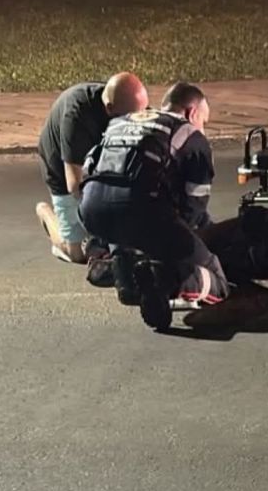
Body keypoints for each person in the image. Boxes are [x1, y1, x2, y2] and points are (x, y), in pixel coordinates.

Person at [78, 82, 228, 331]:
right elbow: (194, 208)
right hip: (142, 212)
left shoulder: (122, 122)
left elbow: (90, 171)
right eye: (204, 120)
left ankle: (122, 270)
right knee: (217, 280)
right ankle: (167, 280)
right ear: (192, 113)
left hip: (93, 212)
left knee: (127, 226)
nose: (203, 127)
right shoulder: (190, 134)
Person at [35, 74, 148, 264]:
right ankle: (47, 214)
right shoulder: (77, 116)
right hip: (61, 167)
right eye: (129, 118)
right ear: (109, 108)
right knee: (79, 254)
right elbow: (74, 184)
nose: (135, 123)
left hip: (97, 156)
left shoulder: (133, 107)